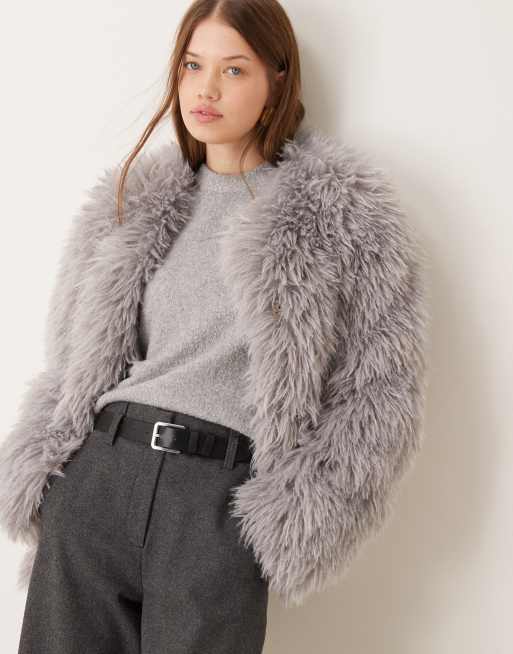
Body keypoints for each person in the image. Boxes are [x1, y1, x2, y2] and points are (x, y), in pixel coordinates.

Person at [0, 0, 430, 652]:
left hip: (216, 503)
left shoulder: (340, 218)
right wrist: (57, 479)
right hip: (97, 483)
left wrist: (295, 520)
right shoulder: (129, 205)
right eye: (192, 65)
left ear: (276, 82)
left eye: (233, 70)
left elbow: (381, 389)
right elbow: (70, 363)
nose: (205, 89)